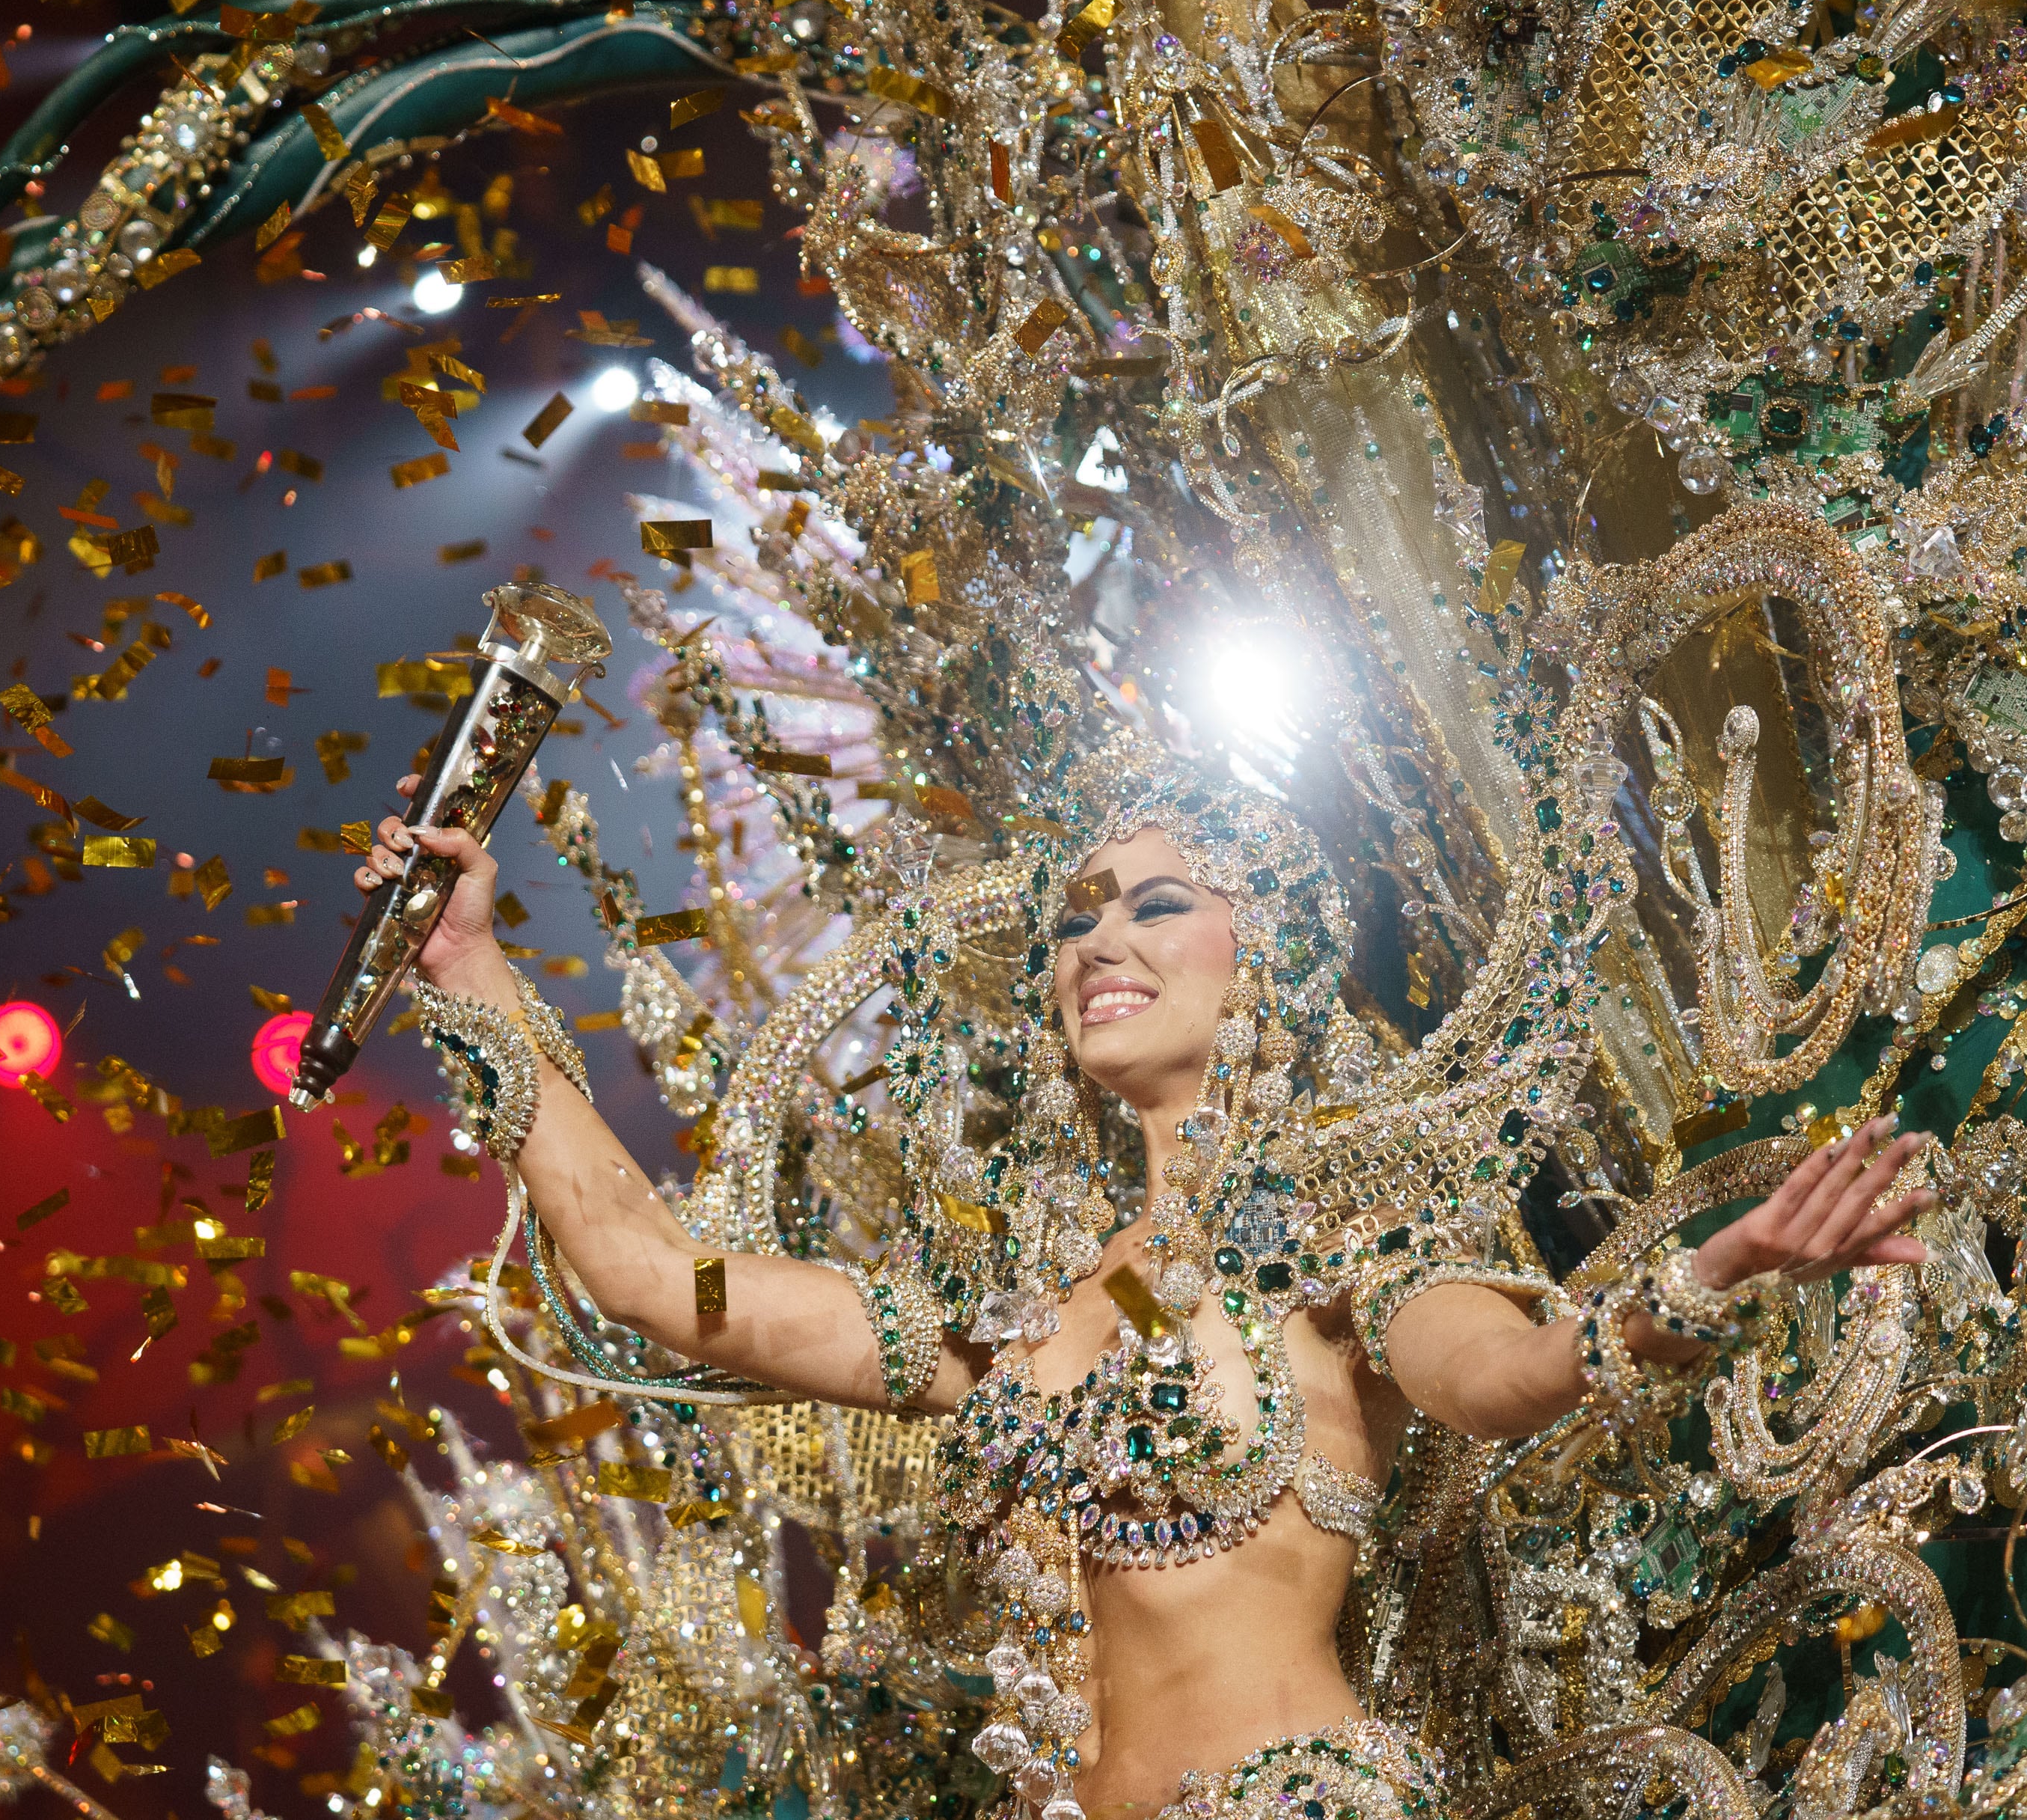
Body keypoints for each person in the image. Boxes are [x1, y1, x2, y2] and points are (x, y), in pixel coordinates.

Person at [353, 760, 1936, 1820]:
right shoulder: (1002, 1317)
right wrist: (473, 971)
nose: (1097, 936)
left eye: (1154, 901)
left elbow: (1508, 1376)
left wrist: (1702, 1279)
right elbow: (646, 1272)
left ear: (1267, 955)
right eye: (1074, 914)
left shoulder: (1338, 1246)